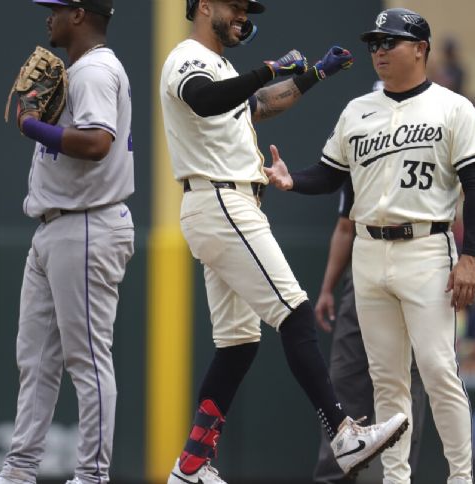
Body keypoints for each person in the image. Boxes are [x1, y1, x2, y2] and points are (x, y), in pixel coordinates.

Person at [159, 1, 409, 483]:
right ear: (203, 5)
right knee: (294, 312)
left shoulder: (223, 67)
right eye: (233, 6)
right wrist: (266, 67)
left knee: (237, 344)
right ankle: (344, 434)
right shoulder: (188, 57)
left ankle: (191, 465)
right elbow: (204, 99)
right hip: (220, 200)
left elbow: (259, 105)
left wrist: (315, 74)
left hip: (223, 204)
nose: (241, 15)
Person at [264, 8, 475, 484]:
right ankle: (396, 479)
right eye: (374, 43)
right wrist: (292, 181)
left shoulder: (453, 107)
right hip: (368, 251)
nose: (380, 51)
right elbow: (329, 175)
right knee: (386, 378)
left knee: (436, 368)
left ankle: (461, 477)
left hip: (426, 247)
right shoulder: (357, 111)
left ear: (420, 48)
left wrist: (471, 257)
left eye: (391, 42)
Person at [0, 1, 135, 483]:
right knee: (35, 360)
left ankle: (92, 477)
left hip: (87, 224)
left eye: (55, 8)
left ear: (79, 14)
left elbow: (96, 144)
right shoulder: (81, 70)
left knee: (87, 361)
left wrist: (32, 124)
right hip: (56, 226)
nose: (46, 17)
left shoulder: (95, 71)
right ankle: (18, 471)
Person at [313, 179, 429, 484]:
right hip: (364, 273)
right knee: (343, 384)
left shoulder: (430, 137)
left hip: (417, 268)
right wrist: (327, 288)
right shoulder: (359, 145)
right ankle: (333, 477)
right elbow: (344, 226)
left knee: (407, 389)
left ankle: (400, 479)